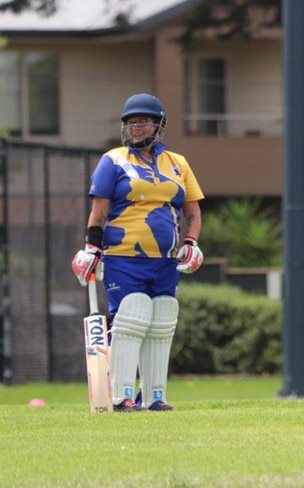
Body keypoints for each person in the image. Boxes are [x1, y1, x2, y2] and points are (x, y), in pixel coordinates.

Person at [71, 93, 205, 412]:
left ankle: (155, 396)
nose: (136, 128)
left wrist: (191, 242)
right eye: (131, 123)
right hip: (122, 258)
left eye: (143, 122)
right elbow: (98, 212)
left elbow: (194, 213)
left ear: (158, 125)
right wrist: (91, 248)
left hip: (165, 261)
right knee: (130, 317)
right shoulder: (114, 161)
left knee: (161, 322)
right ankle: (121, 396)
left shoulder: (178, 164)